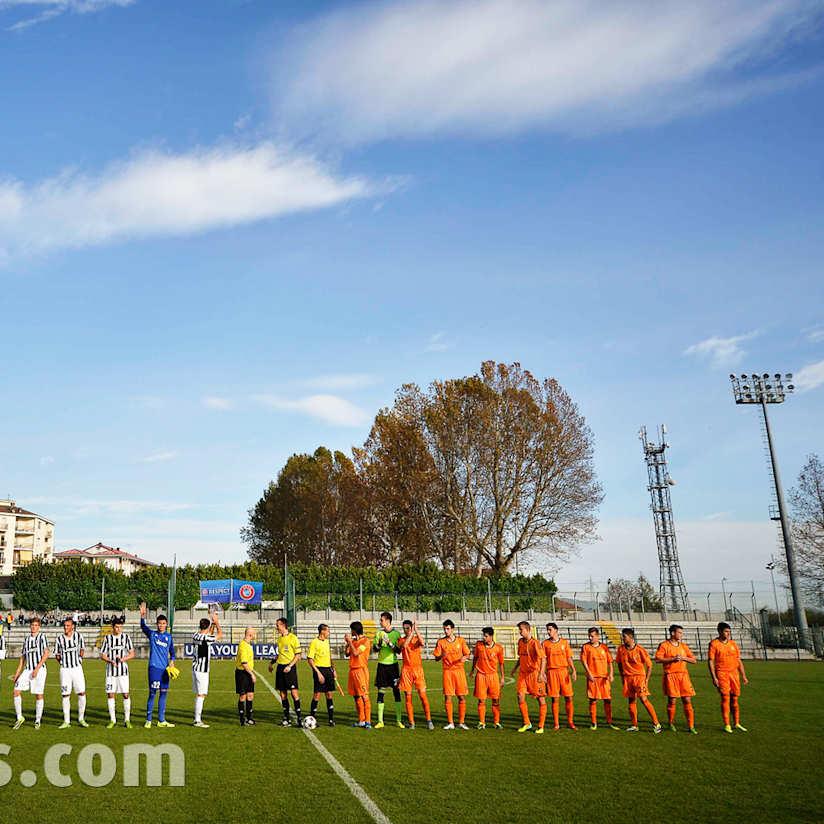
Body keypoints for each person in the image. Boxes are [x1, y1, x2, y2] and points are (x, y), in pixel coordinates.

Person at [615, 628, 661, 733]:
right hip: (628, 678)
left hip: (639, 678)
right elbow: (619, 663)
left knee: (644, 700)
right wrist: (622, 677)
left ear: (631, 637)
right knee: (631, 701)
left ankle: (656, 723)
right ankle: (634, 725)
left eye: (624, 636)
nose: (622, 638)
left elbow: (649, 665)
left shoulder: (640, 649)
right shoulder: (621, 649)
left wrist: (646, 679)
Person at [655, 624, 698, 734]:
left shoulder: (683, 646)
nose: (681, 635)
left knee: (687, 700)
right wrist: (672, 659)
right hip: (670, 675)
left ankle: (691, 726)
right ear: (672, 633)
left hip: (683, 675)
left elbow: (694, 660)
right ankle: (670, 723)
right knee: (672, 700)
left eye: (681, 633)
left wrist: (683, 658)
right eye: (679, 632)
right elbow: (658, 659)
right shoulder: (664, 645)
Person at [140, 602, 177, 728]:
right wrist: (142, 616)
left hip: (165, 670)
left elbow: (172, 652)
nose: (161, 625)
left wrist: (172, 661)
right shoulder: (153, 635)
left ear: (166, 624)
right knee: (152, 693)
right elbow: (143, 626)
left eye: (163, 623)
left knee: (164, 693)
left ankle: (161, 720)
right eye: (159, 623)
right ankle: (148, 719)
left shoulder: (169, 637)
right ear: (157, 624)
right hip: (154, 668)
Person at [708, 622, 749, 733]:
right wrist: (714, 677)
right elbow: (711, 661)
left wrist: (743, 675)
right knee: (725, 698)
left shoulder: (733, 644)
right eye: (726, 631)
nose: (728, 634)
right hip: (722, 674)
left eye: (729, 632)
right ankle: (727, 724)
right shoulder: (714, 644)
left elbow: (738, 660)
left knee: (735, 699)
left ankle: (736, 723)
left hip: (734, 674)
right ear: (720, 631)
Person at [12, 616, 50, 730]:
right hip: (27, 670)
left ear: (39, 627)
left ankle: (37, 720)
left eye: (36, 625)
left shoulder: (42, 637)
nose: (34, 627)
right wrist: (17, 672)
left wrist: (37, 669)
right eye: (32, 625)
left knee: (38, 695)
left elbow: (46, 653)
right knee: (16, 691)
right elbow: (23, 658)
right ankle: (19, 718)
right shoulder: (27, 639)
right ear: (30, 626)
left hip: (40, 670)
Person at [433, 619, 471, 730]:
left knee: (461, 696)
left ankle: (461, 722)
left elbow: (467, 654)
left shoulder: (461, 641)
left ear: (453, 629)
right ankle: (450, 723)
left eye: (448, 629)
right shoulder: (441, 642)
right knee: (448, 696)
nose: (446, 631)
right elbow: (436, 658)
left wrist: (465, 657)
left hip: (459, 671)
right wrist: (442, 656)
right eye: (444, 629)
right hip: (448, 672)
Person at [511, 621, 547, 734]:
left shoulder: (535, 643)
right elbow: (520, 657)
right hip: (523, 674)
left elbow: (543, 659)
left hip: (534, 674)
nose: (520, 632)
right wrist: (515, 668)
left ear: (528, 630)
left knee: (540, 699)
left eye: (521, 630)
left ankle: (541, 726)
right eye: (519, 630)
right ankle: (527, 723)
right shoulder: (520, 642)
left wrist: (541, 673)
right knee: (520, 696)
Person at [580, 627, 618, 730]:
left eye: (592, 636)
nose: (590, 638)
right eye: (589, 636)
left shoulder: (604, 647)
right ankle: (593, 723)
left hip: (604, 678)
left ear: (597, 636)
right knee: (592, 700)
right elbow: (584, 662)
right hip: (593, 678)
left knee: (607, 700)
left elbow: (610, 661)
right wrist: (589, 673)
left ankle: (609, 722)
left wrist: (611, 674)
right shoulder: (586, 647)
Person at [100, 616, 135, 728]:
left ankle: (127, 719)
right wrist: (110, 661)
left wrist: (122, 659)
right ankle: (113, 720)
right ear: (113, 627)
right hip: (110, 672)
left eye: (120, 627)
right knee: (111, 694)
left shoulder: (126, 638)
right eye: (117, 627)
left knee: (125, 694)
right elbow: (102, 655)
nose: (119, 629)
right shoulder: (107, 639)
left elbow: (132, 654)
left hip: (123, 672)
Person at [398, 619, 433, 730]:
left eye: (408, 628)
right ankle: (412, 722)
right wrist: (411, 633)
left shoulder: (417, 639)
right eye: (404, 628)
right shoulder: (401, 640)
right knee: (408, 698)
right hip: (406, 671)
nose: (405, 630)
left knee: (423, 696)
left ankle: (429, 720)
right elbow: (404, 646)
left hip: (418, 670)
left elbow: (422, 643)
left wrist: (416, 630)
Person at [542, 622, 578, 730]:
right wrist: (542, 673)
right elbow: (543, 659)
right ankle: (556, 723)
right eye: (547, 630)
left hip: (564, 672)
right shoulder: (545, 644)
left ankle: (570, 722)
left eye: (550, 630)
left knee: (568, 697)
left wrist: (574, 670)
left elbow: (569, 658)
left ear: (556, 630)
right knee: (555, 698)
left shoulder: (564, 643)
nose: (549, 632)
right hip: (552, 672)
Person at [268, 617, 303, 727]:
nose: (276, 627)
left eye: (277, 625)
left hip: (290, 668)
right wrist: (272, 663)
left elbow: (298, 655)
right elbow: (280, 654)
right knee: (283, 694)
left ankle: (299, 718)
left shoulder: (293, 638)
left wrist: (290, 666)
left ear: (283, 625)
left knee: (294, 693)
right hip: (280, 668)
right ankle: (286, 719)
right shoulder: (279, 639)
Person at [54, 617, 88, 729]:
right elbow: (57, 654)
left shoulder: (78, 636)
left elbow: (82, 649)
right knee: (65, 694)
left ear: (72, 626)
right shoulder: (59, 639)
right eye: (64, 626)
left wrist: (79, 659)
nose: (65, 627)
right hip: (65, 670)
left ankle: (81, 718)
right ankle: (66, 721)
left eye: (68, 625)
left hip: (77, 669)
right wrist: (62, 663)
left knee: (81, 693)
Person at [373, 611, 404, 729]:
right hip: (382, 665)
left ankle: (398, 720)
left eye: (381, 620)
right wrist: (380, 644)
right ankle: (380, 721)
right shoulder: (379, 633)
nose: (380, 622)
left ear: (387, 621)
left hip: (393, 666)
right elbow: (375, 649)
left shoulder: (396, 634)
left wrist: (390, 644)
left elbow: (399, 651)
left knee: (396, 691)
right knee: (381, 691)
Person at [191, 610, 222, 728]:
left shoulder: (195, 635)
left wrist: (212, 623)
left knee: (199, 694)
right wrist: (217, 622)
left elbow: (208, 634)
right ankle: (197, 720)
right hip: (202, 670)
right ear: (207, 626)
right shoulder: (206, 638)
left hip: (195, 667)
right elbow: (219, 635)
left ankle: (197, 718)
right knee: (201, 695)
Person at [471, 627, 505, 729]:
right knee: (481, 700)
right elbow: (475, 658)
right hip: (481, 675)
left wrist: (502, 678)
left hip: (493, 676)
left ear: (491, 636)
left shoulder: (498, 648)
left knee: (495, 700)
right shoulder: (479, 645)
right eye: (483, 636)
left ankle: (496, 722)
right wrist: (472, 670)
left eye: (486, 636)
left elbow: (501, 663)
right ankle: (482, 722)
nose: (484, 638)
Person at [307, 623, 337, 726]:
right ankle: (312, 719)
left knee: (329, 694)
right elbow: (310, 659)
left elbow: (329, 657)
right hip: (319, 670)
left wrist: (334, 669)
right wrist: (318, 672)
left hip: (328, 670)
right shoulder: (314, 642)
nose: (329, 633)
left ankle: (331, 720)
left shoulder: (327, 642)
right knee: (317, 695)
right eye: (327, 631)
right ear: (322, 631)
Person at [345, 621, 372, 729]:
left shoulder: (365, 641)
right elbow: (347, 654)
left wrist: (350, 642)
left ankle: (368, 721)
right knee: (356, 696)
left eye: (351, 630)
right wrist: (348, 643)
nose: (350, 632)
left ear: (354, 630)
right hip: (352, 670)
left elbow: (356, 653)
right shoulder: (354, 641)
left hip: (361, 671)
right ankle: (361, 720)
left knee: (364, 695)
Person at [235, 626, 257, 726]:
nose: (255, 635)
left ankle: (250, 718)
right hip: (242, 673)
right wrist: (252, 674)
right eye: (254, 634)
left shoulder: (248, 645)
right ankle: (242, 719)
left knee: (250, 695)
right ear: (250, 635)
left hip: (248, 672)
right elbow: (244, 663)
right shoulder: (243, 645)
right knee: (243, 695)